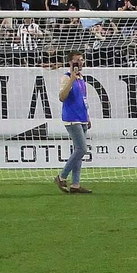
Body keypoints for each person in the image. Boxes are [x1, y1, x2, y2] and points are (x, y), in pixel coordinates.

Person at [55, 52, 93, 194]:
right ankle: (62, 176)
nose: (80, 63)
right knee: (82, 149)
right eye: (77, 61)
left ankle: (76, 184)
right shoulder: (66, 77)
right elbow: (62, 97)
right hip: (72, 118)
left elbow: (83, 98)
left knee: (78, 151)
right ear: (70, 63)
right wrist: (71, 78)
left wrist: (87, 115)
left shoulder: (81, 78)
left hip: (81, 117)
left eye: (82, 60)